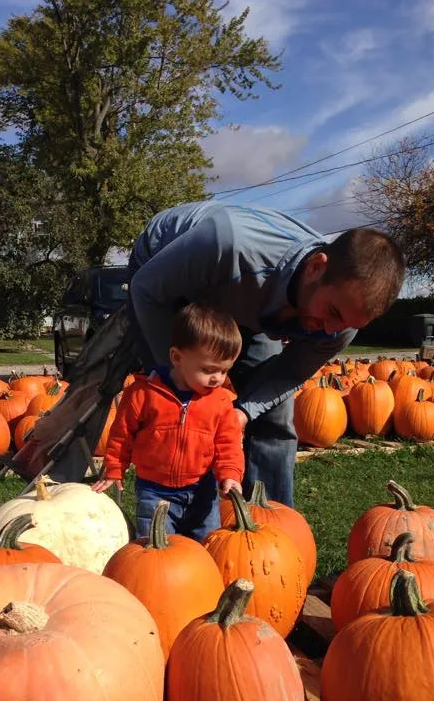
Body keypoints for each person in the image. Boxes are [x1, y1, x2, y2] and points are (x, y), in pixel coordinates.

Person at [124, 201, 405, 507]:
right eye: (332, 312)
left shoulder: (341, 324)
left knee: (275, 413)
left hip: (254, 300)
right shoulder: (227, 244)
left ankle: (268, 524)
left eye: (346, 324)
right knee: (181, 404)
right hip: (167, 274)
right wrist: (178, 377)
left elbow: (290, 371)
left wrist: (242, 412)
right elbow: (146, 289)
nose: (329, 331)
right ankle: (175, 516)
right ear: (316, 267)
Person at [92, 303, 244, 542]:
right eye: (209, 370)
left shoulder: (221, 401)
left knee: (206, 546)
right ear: (177, 358)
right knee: (155, 548)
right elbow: (122, 435)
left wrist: (231, 474)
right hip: (155, 490)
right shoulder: (143, 394)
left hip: (201, 490)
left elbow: (229, 444)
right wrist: (114, 467)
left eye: (225, 371)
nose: (217, 379)